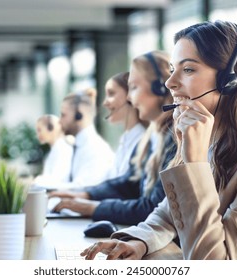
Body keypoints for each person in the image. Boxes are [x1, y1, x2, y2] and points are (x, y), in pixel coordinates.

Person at [81, 20, 237, 260]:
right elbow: (168, 213)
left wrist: (194, 164)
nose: (170, 83)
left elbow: (215, 265)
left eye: (188, 69)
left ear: (229, 82)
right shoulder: (213, 141)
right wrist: (139, 242)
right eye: (172, 69)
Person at [50, 50, 176, 226]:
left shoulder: (174, 139)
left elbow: (152, 208)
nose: (130, 98)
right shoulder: (155, 136)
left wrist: (93, 207)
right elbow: (132, 182)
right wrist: (87, 195)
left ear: (160, 88)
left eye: (134, 88)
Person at [46, 87, 115, 190]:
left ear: (79, 115)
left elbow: (82, 189)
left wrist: (40, 186)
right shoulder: (77, 146)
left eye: (63, 115)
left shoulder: (96, 149)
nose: (59, 122)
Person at [103, 71, 147, 179]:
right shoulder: (125, 139)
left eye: (111, 94)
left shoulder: (143, 141)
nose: (105, 103)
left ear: (130, 97)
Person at [33, 114, 73, 186]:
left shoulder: (63, 149)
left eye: (39, 130)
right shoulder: (55, 149)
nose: (37, 135)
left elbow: (56, 181)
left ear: (52, 128)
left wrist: (35, 181)